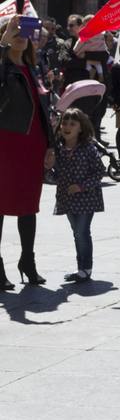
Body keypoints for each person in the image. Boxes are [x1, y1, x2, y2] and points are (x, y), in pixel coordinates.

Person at [0, 15, 54, 287]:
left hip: (33, 145)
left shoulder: (33, 67)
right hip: (6, 145)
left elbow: (44, 109)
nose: (21, 36)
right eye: (15, 32)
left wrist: (51, 144)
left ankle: (27, 261)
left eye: (24, 32)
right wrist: (2, 46)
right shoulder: (3, 67)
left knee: (28, 206)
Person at [46, 107, 104, 283]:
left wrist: (81, 186)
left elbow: (99, 172)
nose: (67, 127)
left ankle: (86, 268)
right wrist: (48, 168)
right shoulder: (59, 150)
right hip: (67, 199)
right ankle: (81, 268)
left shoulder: (88, 148)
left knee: (81, 231)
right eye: (64, 123)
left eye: (72, 124)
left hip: (87, 199)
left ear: (80, 128)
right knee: (77, 232)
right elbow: (55, 177)